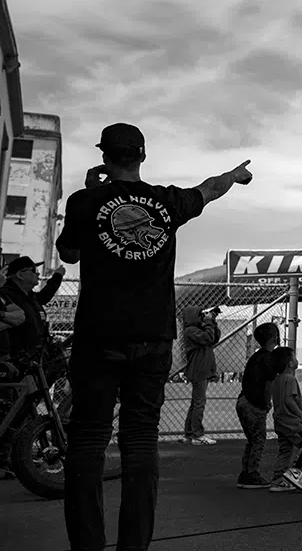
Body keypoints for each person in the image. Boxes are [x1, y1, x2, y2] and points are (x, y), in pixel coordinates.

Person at [56, 122, 253, 551]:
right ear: (142, 156)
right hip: (152, 337)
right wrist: (235, 175)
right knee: (141, 440)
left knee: (87, 439)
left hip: (98, 335)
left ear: (105, 157)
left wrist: (91, 193)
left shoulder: (85, 201)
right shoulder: (166, 201)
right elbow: (210, 188)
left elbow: (68, 253)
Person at [235, 322, 281, 489]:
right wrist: (267, 403)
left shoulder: (256, 356)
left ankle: (246, 472)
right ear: (274, 338)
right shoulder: (269, 359)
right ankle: (251, 474)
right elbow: (268, 384)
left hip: (243, 400)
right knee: (259, 440)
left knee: (252, 440)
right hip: (254, 404)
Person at [0, 256, 66, 364]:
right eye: (34, 270)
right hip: (16, 362)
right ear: (20, 275)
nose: (38, 274)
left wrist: (58, 276)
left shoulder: (30, 296)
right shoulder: (6, 296)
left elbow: (45, 295)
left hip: (36, 359)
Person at [269, 346, 302, 493]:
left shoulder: (277, 380)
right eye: (294, 357)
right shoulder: (290, 379)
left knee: (286, 449)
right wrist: (301, 415)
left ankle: (278, 480)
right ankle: (295, 472)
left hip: (280, 421)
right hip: (291, 422)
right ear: (289, 363)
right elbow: (289, 400)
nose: (296, 359)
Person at [181, 305, 220, 446]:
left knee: (195, 403)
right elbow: (208, 338)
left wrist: (212, 322)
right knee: (199, 403)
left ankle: (189, 434)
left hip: (201, 369)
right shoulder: (191, 331)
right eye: (200, 315)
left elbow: (214, 338)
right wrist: (208, 323)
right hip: (199, 370)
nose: (202, 317)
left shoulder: (197, 329)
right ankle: (197, 435)